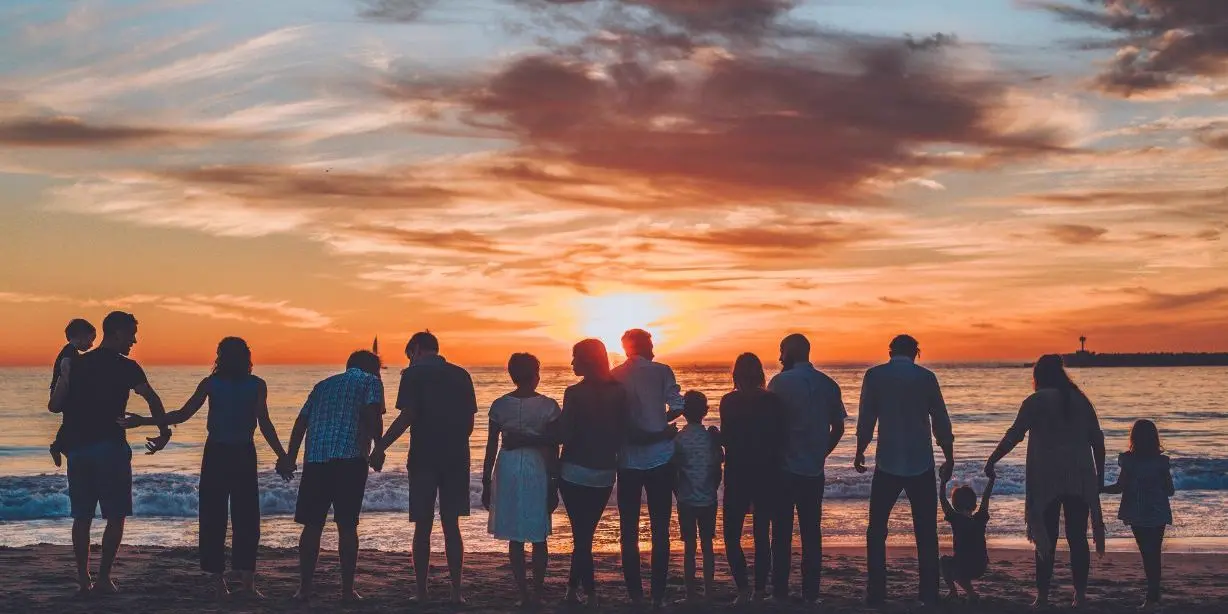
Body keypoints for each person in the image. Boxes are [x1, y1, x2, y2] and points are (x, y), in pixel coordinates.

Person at [121, 337, 286, 598]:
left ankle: (220, 581)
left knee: (214, 517)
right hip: (241, 453)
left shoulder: (214, 383)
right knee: (246, 518)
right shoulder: (254, 385)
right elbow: (264, 424)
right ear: (247, 357)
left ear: (220, 357)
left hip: (219, 454)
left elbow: (181, 415)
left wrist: (145, 420)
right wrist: (283, 456)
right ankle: (246, 583)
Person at [48, 311, 172, 597]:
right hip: (110, 448)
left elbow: (58, 402)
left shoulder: (76, 363)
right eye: (131, 334)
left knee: (82, 517)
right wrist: (164, 432)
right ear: (116, 333)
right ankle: (103, 578)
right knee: (115, 516)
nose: (134, 340)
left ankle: (83, 580)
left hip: (78, 449)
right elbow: (152, 397)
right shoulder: (126, 366)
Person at [985, 354, 1106, 610]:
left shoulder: (1035, 401)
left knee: (1045, 538)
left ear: (1038, 376)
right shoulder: (1081, 401)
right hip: (1079, 477)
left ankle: (1042, 596)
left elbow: (1014, 435)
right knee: (1078, 538)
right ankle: (1080, 596)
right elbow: (1098, 441)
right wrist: (1100, 477)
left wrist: (992, 459)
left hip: (1046, 477)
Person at [370, 331, 477, 603]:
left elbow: (408, 415)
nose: (410, 361)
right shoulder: (462, 374)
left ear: (416, 349)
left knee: (423, 526)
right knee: (451, 525)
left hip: (424, 457)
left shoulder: (413, 374)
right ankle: (456, 593)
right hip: (456, 457)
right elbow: (469, 425)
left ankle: (421, 593)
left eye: (410, 356)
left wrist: (380, 445)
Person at [278, 350, 384, 603]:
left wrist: (290, 457)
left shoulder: (322, 386)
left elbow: (301, 422)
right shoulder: (371, 382)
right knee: (347, 526)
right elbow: (371, 413)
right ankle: (347, 590)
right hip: (350, 459)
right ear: (373, 369)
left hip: (316, 459)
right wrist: (378, 447)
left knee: (312, 525)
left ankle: (304, 589)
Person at [855, 334, 953, 607]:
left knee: (876, 530)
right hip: (920, 461)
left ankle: (876, 592)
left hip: (887, 462)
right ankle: (929, 595)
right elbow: (941, 420)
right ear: (916, 353)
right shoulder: (926, 378)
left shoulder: (874, 376)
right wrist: (949, 455)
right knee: (925, 531)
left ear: (890, 351)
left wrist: (860, 449)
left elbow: (867, 419)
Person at [767, 333, 846, 604]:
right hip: (813, 469)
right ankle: (810, 594)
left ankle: (780, 593)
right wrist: (822, 453)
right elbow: (839, 427)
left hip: (784, 468)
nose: (779, 357)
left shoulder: (779, 383)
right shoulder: (828, 384)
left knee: (781, 534)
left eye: (781, 351)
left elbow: (770, 425)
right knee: (811, 533)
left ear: (789, 352)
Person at [610, 329, 685, 607]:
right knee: (660, 529)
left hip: (628, 460)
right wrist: (659, 422)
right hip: (660, 459)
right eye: (651, 343)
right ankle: (657, 596)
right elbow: (678, 406)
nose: (654, 348)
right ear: (645, 345)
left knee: (628, 529)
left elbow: (615, 418)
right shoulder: (662, 371)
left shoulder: (615, 375)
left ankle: (635, 595)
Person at [480, 353, 561, 607]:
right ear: (536, 375)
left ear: (512, 375)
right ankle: (536, 593)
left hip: (508, 467)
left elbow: (491, 446)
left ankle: (523, 594)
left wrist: (485, 481)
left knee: (516, 536)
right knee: (539, 535)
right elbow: (553, 447)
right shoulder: (549, 406)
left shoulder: (499, 405)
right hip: (537, 467)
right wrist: (554, 482)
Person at [558, 338, 628, 608]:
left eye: (575, 357)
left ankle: (589, 592)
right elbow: (623, 433)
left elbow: (565, 433)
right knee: (585, 533)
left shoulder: (574, 393)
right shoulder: (619, 392)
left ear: (587, 360)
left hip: (574, 470)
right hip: (604, 472)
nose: (572, 363)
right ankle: (573, 589)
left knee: (582, 534)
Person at [719, 353, 787, 604]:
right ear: (760, 374)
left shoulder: (728, 401)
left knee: (732, 535)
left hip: (737, 472)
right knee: (761, 535)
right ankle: (759, 590)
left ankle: (743, 590)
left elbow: (727, 439)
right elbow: (780, 438)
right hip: (768, 472)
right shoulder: (773, 401)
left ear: (735, 374)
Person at [1102, 419, 1174, 610]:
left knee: (1146, 553)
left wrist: (1099, 488)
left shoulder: (1129, 460)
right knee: (1154, 553)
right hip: (1158, 511)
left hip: (1137, 510)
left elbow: (1119, 487)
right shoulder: (1161, 462)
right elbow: (1170, 490)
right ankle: (1154, 594)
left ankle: (1152, 597)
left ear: (1133, 438)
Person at [672, 391, 723, 603]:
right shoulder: (710, 438)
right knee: (707, 546)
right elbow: (718, 465)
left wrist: (678, 493)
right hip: (708, 499)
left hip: (686, 499)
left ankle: (691, 593)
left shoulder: (678, 438)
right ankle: (709, 591)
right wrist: (713, 488)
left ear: (683, 412)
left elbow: (674, 470)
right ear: (705, 411)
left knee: (690, 548)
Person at [48, 318, 97, 467]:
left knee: (70, 420)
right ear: (80, 336)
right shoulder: (69, 352)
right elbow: (66, 368)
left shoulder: (71, 351)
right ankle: (57, 446)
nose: (91, 344)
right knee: (71, 420)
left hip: (65, 390)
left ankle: (60, 445)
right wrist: (67, 385)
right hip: (63, 391)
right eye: (90, 339)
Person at [939, 475, 994, 602]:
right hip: (981, 565)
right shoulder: (980, 518)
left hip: (962, 566)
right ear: (974, 506)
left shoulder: (956, 519)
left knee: (944, 562)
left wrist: (943, 481)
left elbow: (942, 499)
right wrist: (991, 480)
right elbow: (986, 497)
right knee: (958, 566)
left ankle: (958, 592)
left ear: (955, 506)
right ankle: (968, 592)